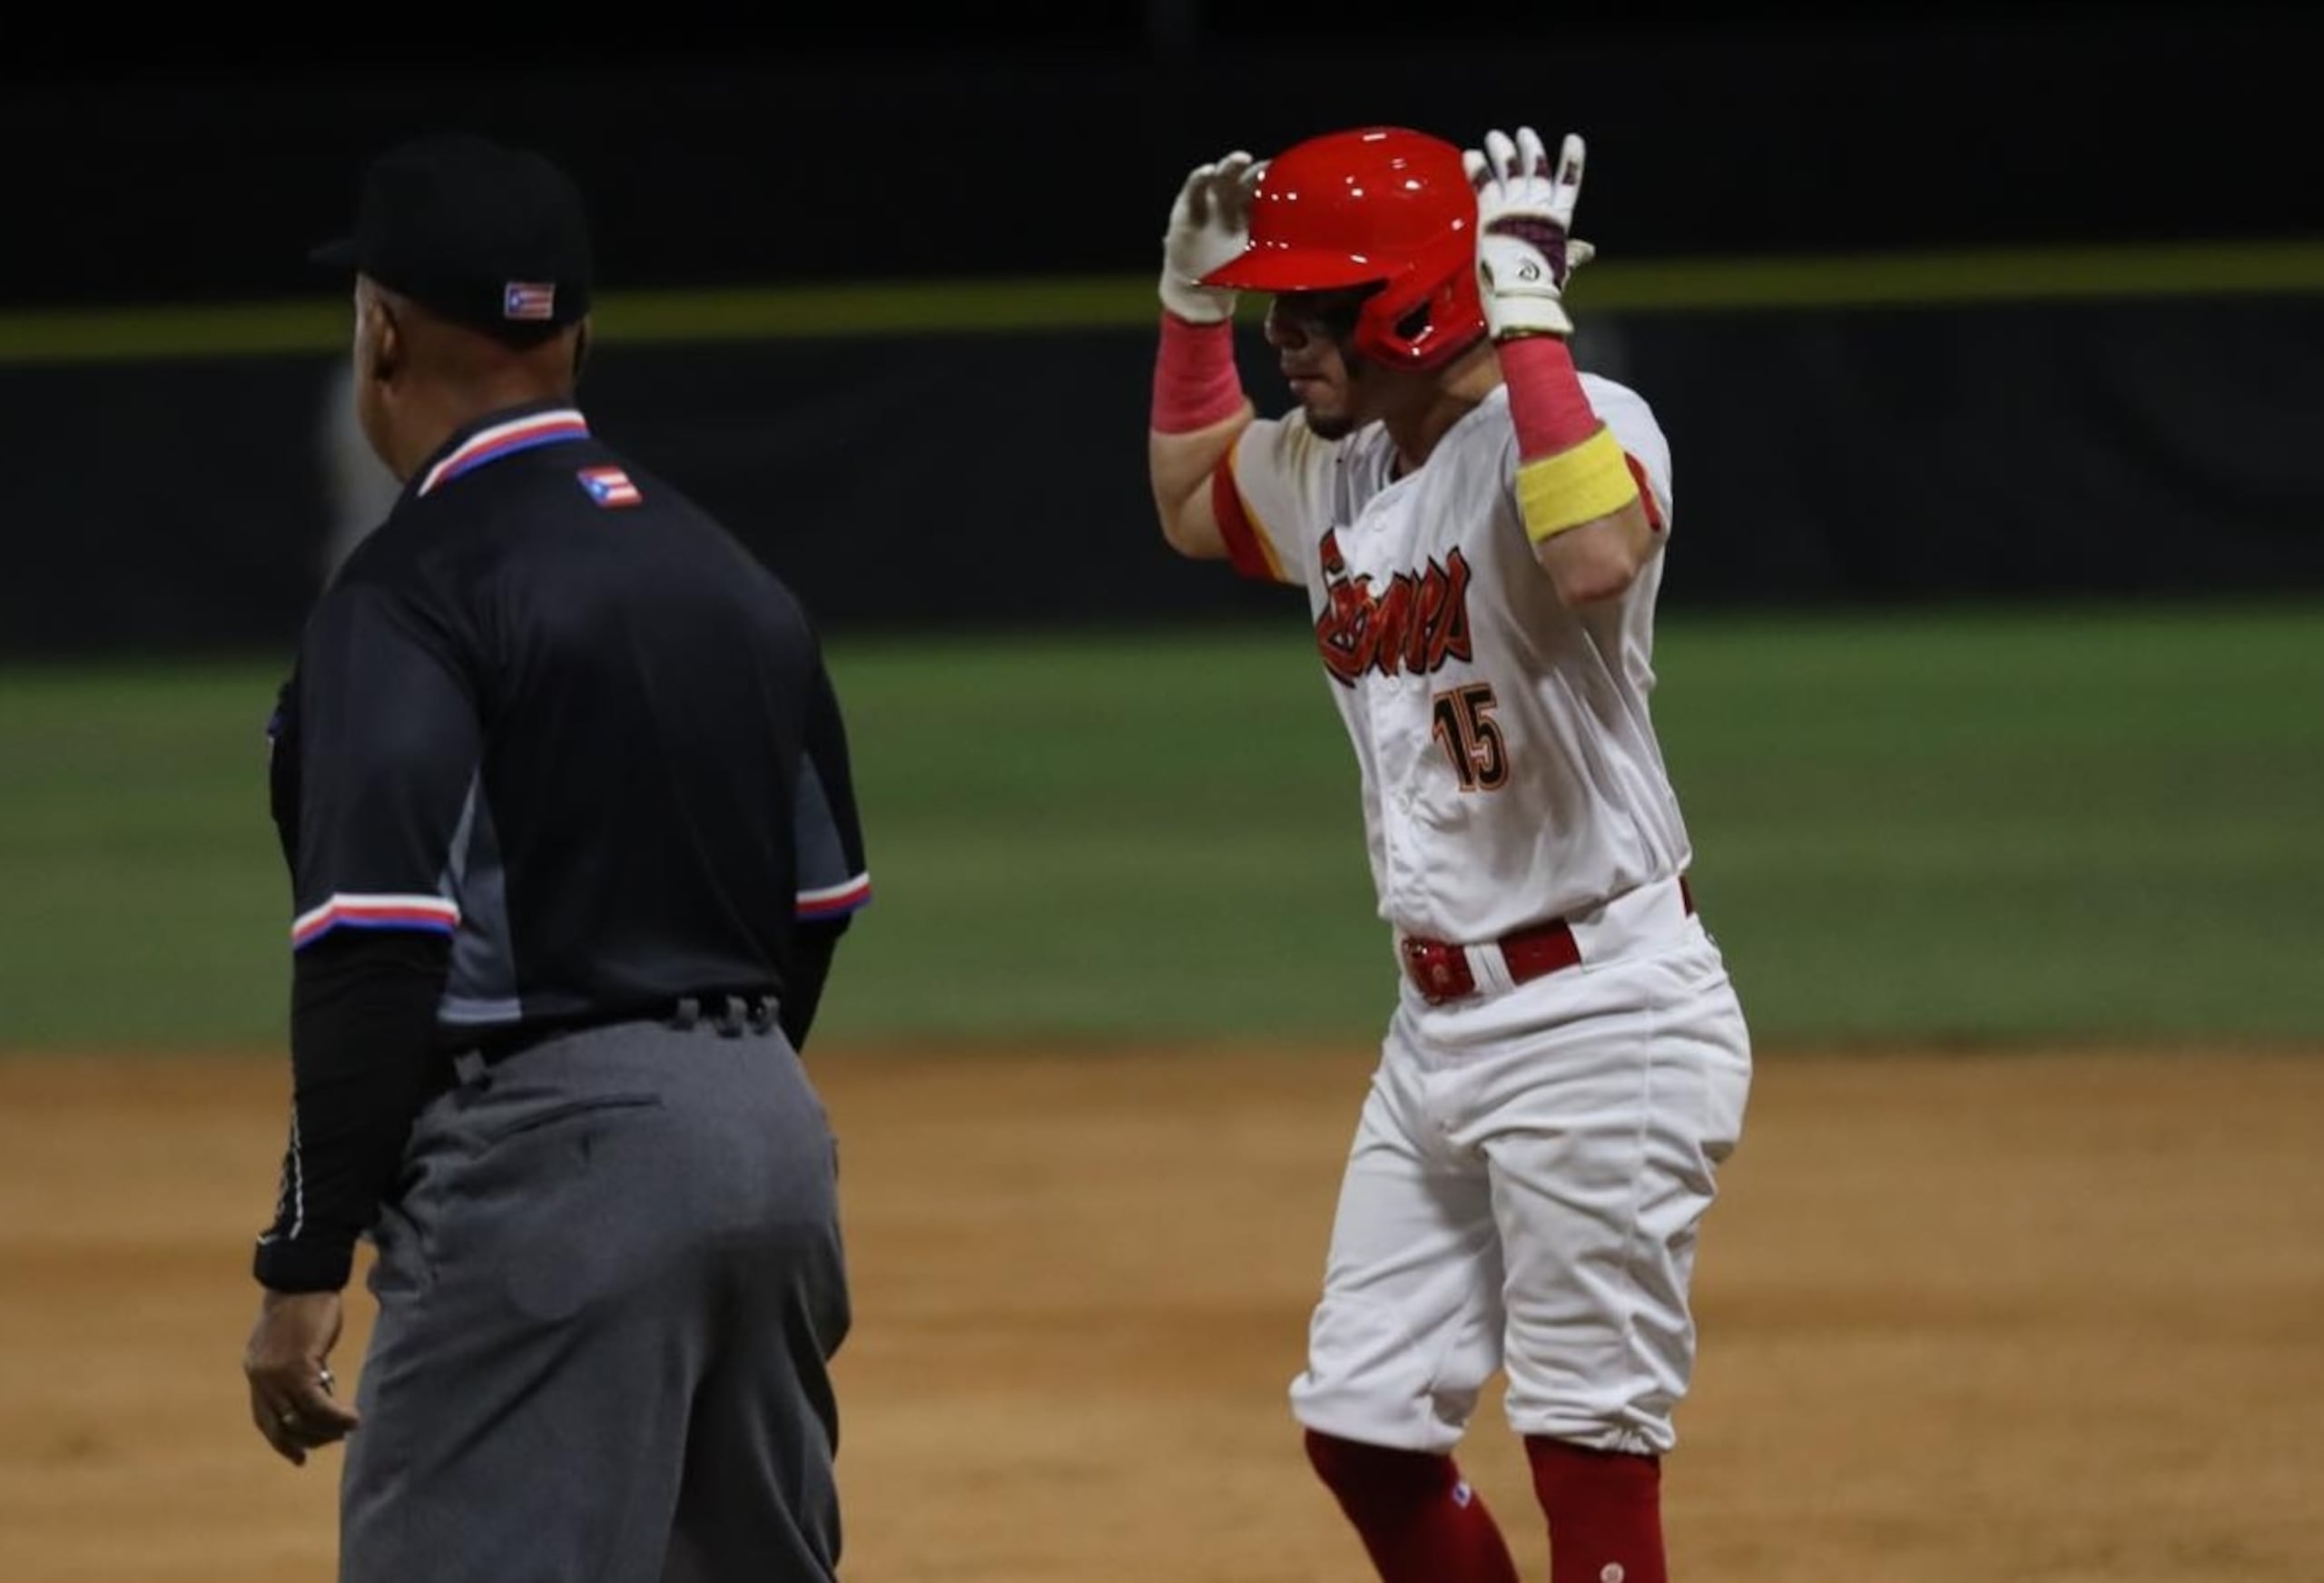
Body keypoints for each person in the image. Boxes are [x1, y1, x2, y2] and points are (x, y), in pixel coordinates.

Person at [239, 132, 872, 1583]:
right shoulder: (736, 579)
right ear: (578, 336)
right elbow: (818, 906)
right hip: (774, 1156)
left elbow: (373, 950)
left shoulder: (404, 593)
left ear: (381, 334)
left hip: (549, 1176)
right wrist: (708, 1115)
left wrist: (305, 1258)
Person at [1145, 124, 1753, 1583]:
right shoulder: (1340, 465)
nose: (1282, 334)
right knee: (1363, 1430)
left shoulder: (1585, 424)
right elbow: (1190, 504)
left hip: (1602, 1014)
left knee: (1589, 1449)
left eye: (1312, 304)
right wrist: (1187, 310)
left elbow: (1594, 553)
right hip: (1437, 1031)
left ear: (1418, 308)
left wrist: (1530, 319)